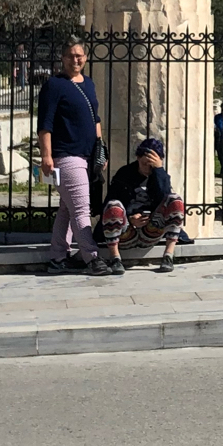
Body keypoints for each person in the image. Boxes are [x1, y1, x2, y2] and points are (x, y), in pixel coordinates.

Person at [36, 40, 103, 274]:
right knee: (81, 209)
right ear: (63, 58)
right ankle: (92, 258)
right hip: (66, 155)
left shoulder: (89, 84)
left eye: (80, 55)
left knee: (67, 208)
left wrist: (99, 150)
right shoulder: (54, 85)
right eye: (71, 56)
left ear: (85, 58)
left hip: (86, 155)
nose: (76, 60)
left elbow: (95, 119)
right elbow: (45, 123)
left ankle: (57, 257)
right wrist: (46, 155)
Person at [97, 137, 187, 275]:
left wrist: (158, 171)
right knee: (113, 205)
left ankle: (168, 256)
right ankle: (115, 259)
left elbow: (165, 200)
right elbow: (109, 205)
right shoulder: (124, 174)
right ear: (138, 158)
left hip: (152, 230)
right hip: (127, 232)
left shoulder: (160, 175)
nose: (148, 168)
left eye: (152, 165)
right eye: (145, 163)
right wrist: (130, 217)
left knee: (175, 199)